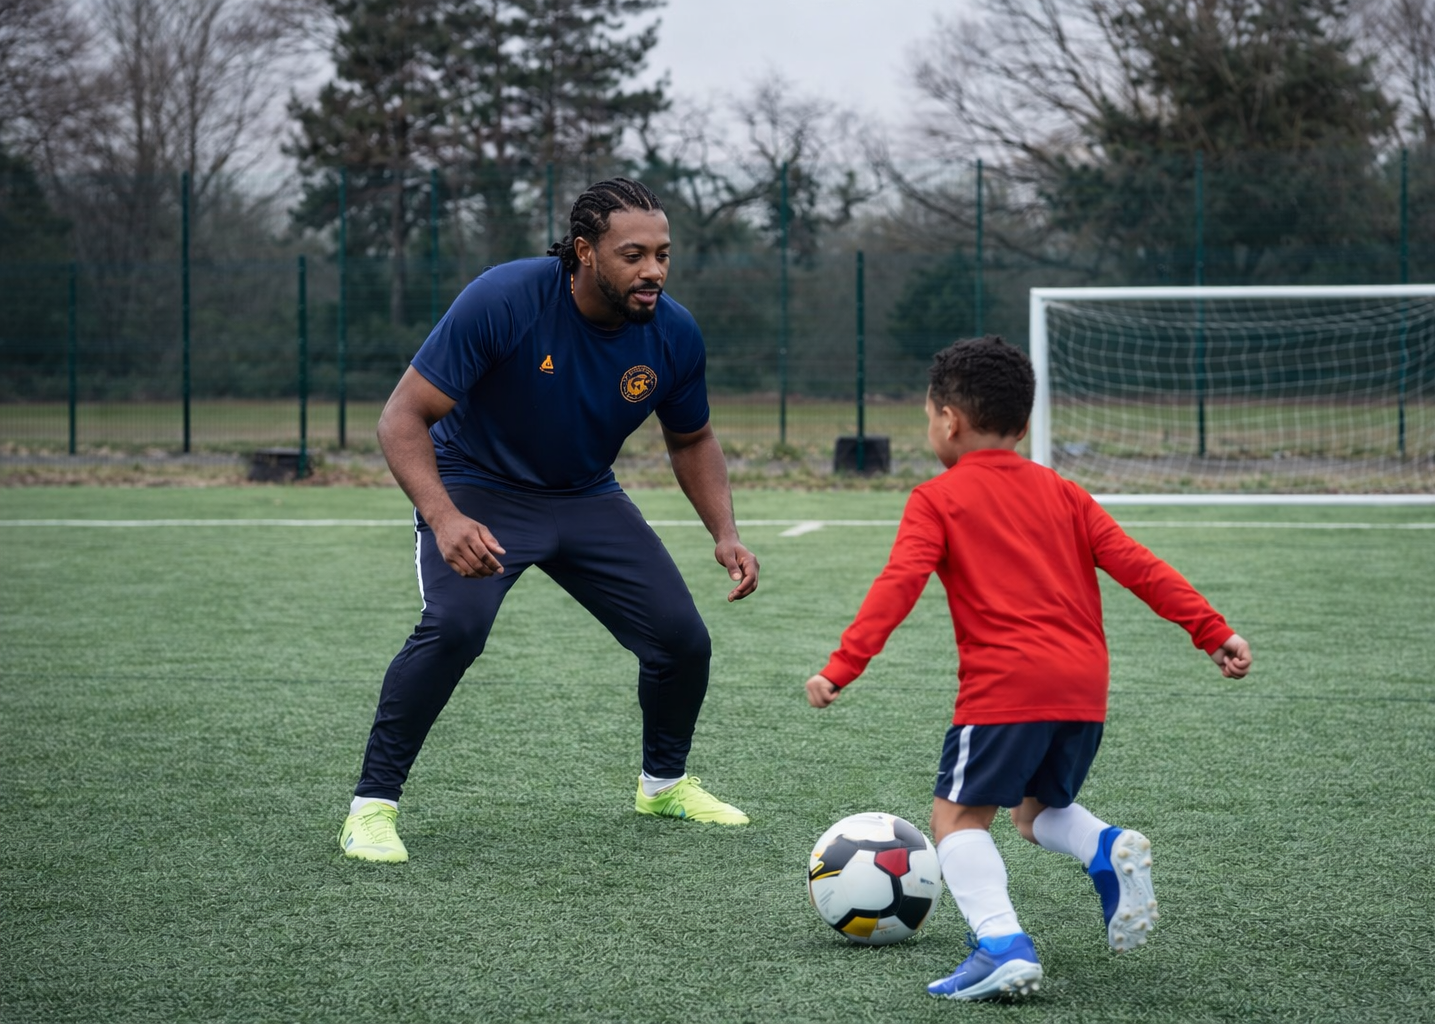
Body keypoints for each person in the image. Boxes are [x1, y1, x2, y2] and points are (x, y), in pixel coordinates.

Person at [804, 336, 1252, 1001]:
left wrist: (841, 669)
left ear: (948, 420)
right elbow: (1140, 566)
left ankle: (1001, 943)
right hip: (1084, 688)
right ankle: (1105, 847)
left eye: (930, 417)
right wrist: (1213, 632)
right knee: (1036, 810)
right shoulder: (1065, 493)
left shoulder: (938, 498)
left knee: (957, 821)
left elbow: (896, 587)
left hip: (1006, 690)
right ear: (1024, 423)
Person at [339, 177, 759, 864]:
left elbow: (691, 439)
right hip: (479, 486)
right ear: (585, 252)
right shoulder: (506, 298)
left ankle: (663, 784)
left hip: (585, 494)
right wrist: (444, 518)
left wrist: (725, 533)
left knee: (682, 642)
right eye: (633, 255)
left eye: (663, 254)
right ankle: (371, 809)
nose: (652, 270)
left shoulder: (673, 332)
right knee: (455, 628)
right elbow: (401, 417)